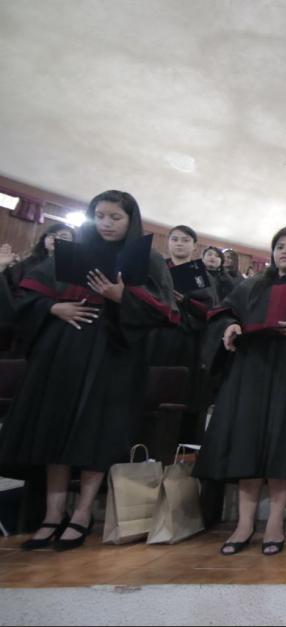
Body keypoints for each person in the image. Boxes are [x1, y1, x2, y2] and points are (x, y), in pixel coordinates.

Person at [0, 190, 177, 551]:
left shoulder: (147, 260)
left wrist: (120, 297)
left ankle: (81, 514)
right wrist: (53, 309)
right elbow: (26, 297)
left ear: (131, 220)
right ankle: (52, 515)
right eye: (100, 216)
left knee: (93, 435)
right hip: (63, 354)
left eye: (115, 217)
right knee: (56, 431)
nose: (106, 224)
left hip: (114, 356)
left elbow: (164, 312)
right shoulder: (71, 253)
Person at [194, 226, 286, 556]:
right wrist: (230, 327)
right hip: (251, 372)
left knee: (283, 447)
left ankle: (275, 522)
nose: (285, 252)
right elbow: (222, 314)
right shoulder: (249, 286)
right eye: (279, 247)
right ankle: (244, 524)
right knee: (246, 445)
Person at [147, 226, 219, 443]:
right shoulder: (156, 268)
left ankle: (179, 452)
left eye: (185, 240)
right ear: (167, 242)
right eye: (175, 239)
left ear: (194, 246)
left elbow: (210, 309)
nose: (179, 243)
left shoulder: (201, 274)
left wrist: (185, 301)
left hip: (187, 340)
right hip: (156, 337)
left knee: (184, 392)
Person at [2, 223, 75, 293]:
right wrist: (2, 266)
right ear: (44, 240)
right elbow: (8, 286)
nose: (56, 238)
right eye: (52, 235)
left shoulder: (74, 270)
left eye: (64, 237)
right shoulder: (28, 263)